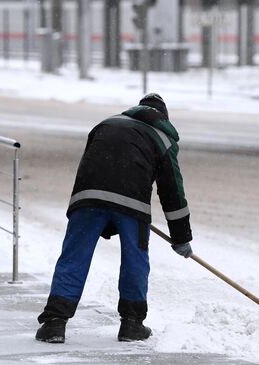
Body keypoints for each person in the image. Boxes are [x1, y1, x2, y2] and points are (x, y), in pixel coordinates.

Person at [35, 93, 193, 343]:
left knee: (74, 256)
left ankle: (54, 323)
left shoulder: (106, 124)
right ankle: (131, 325)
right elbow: (172, 189)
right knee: (135, 260)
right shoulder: (162, 138)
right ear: (163, 118)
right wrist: (181, 237)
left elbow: (90, 162)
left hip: (87, 197)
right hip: (132, 203)